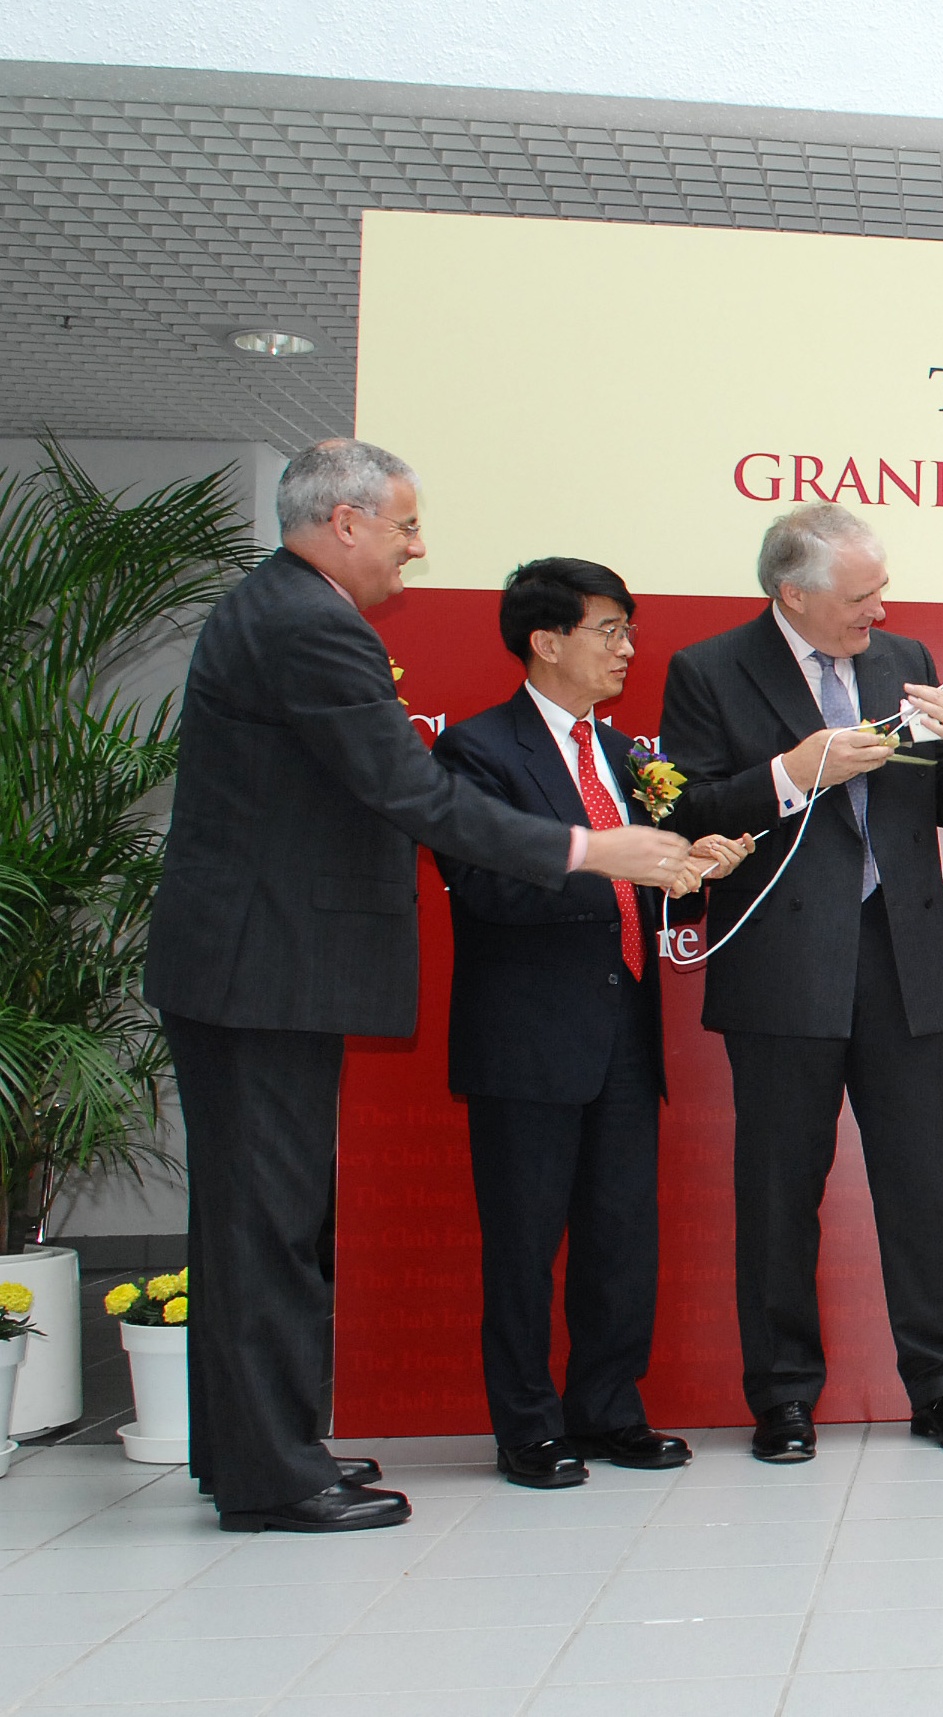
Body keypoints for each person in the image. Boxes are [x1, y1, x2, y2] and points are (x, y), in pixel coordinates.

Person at [145, 440, 691, 1533]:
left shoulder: (283, 613)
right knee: (269, 1229)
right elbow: (409, 792)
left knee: (266, 1228)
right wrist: (592, 852)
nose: (415, 547)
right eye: (402, 526)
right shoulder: (308, 623)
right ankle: (271, 1475)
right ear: (341, 522)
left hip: (262, 966)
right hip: (265, 969)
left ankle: (260, 1453)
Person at [659, 503, 943, 1461]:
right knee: (778, 1192)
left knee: (920, 1188)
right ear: (793, 593)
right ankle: (781, 1398)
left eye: (881, 590)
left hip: (906, 967)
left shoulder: (907, 658)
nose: (879, 610)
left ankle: (942, 1388)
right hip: (782, 971)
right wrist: (789, 772)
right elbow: (684, 812)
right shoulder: (709, 670)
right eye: (859, 596)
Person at [431, 558, 753, 1488]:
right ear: (547, 640)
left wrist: (691, 873)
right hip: (525, 1041)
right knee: (525, 1245)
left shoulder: (627, 757)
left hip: (623, 1036)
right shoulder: (480, 753)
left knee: (620, 1240)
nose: (627, 647)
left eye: (628, 629)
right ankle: (528, 1426)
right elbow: (486, 887)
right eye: (610, 628)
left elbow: (657, 906)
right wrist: (608, 864)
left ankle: (608, 1409)